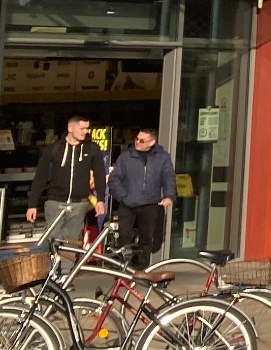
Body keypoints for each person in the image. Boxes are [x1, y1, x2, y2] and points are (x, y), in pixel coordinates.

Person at [25, 114, 106, 241]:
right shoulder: (53, 149)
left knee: (72, 242)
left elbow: (99, 174)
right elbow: (40, 177)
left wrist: (100, 199)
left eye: (87, 128)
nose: (86, 131)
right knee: (52, 240)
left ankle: (68, 262)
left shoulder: (92, 149)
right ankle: (54, 262)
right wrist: (32, 204)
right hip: (54, 202)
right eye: (82, 128)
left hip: (79, 204)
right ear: (70, 128)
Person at [108, 126, 176, 267]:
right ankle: (123, 267)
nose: (138, 142)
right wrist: (123, 197)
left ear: (152, 142)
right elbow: (114, 179)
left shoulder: (162, 157)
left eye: (142, 140)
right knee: (124, 237)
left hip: (150, 203)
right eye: (136, 139)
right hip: (128, 204)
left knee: (147, 239)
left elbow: (168, 177)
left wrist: (169, 196)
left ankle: (142, 268)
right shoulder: (126, 157)